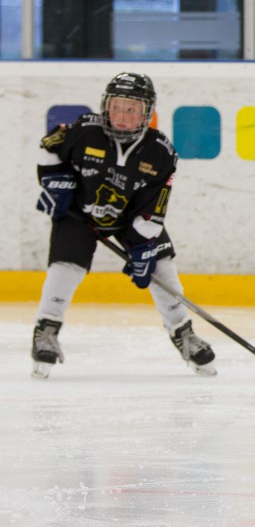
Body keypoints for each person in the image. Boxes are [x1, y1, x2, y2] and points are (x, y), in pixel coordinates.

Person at [31, 72, 216, 379]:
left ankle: (184, 334)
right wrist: (54, 181)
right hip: (79, 212)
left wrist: (144, 249)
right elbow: (49, 145)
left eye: (132, 109)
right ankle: (45, 331)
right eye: (117, 106)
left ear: (146, 113)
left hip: (132, 218)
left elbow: (154, 208)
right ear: (106, 105)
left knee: (161, 266)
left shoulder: (161, 152)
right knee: (66, 266)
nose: (122, 115)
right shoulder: (84, 130)